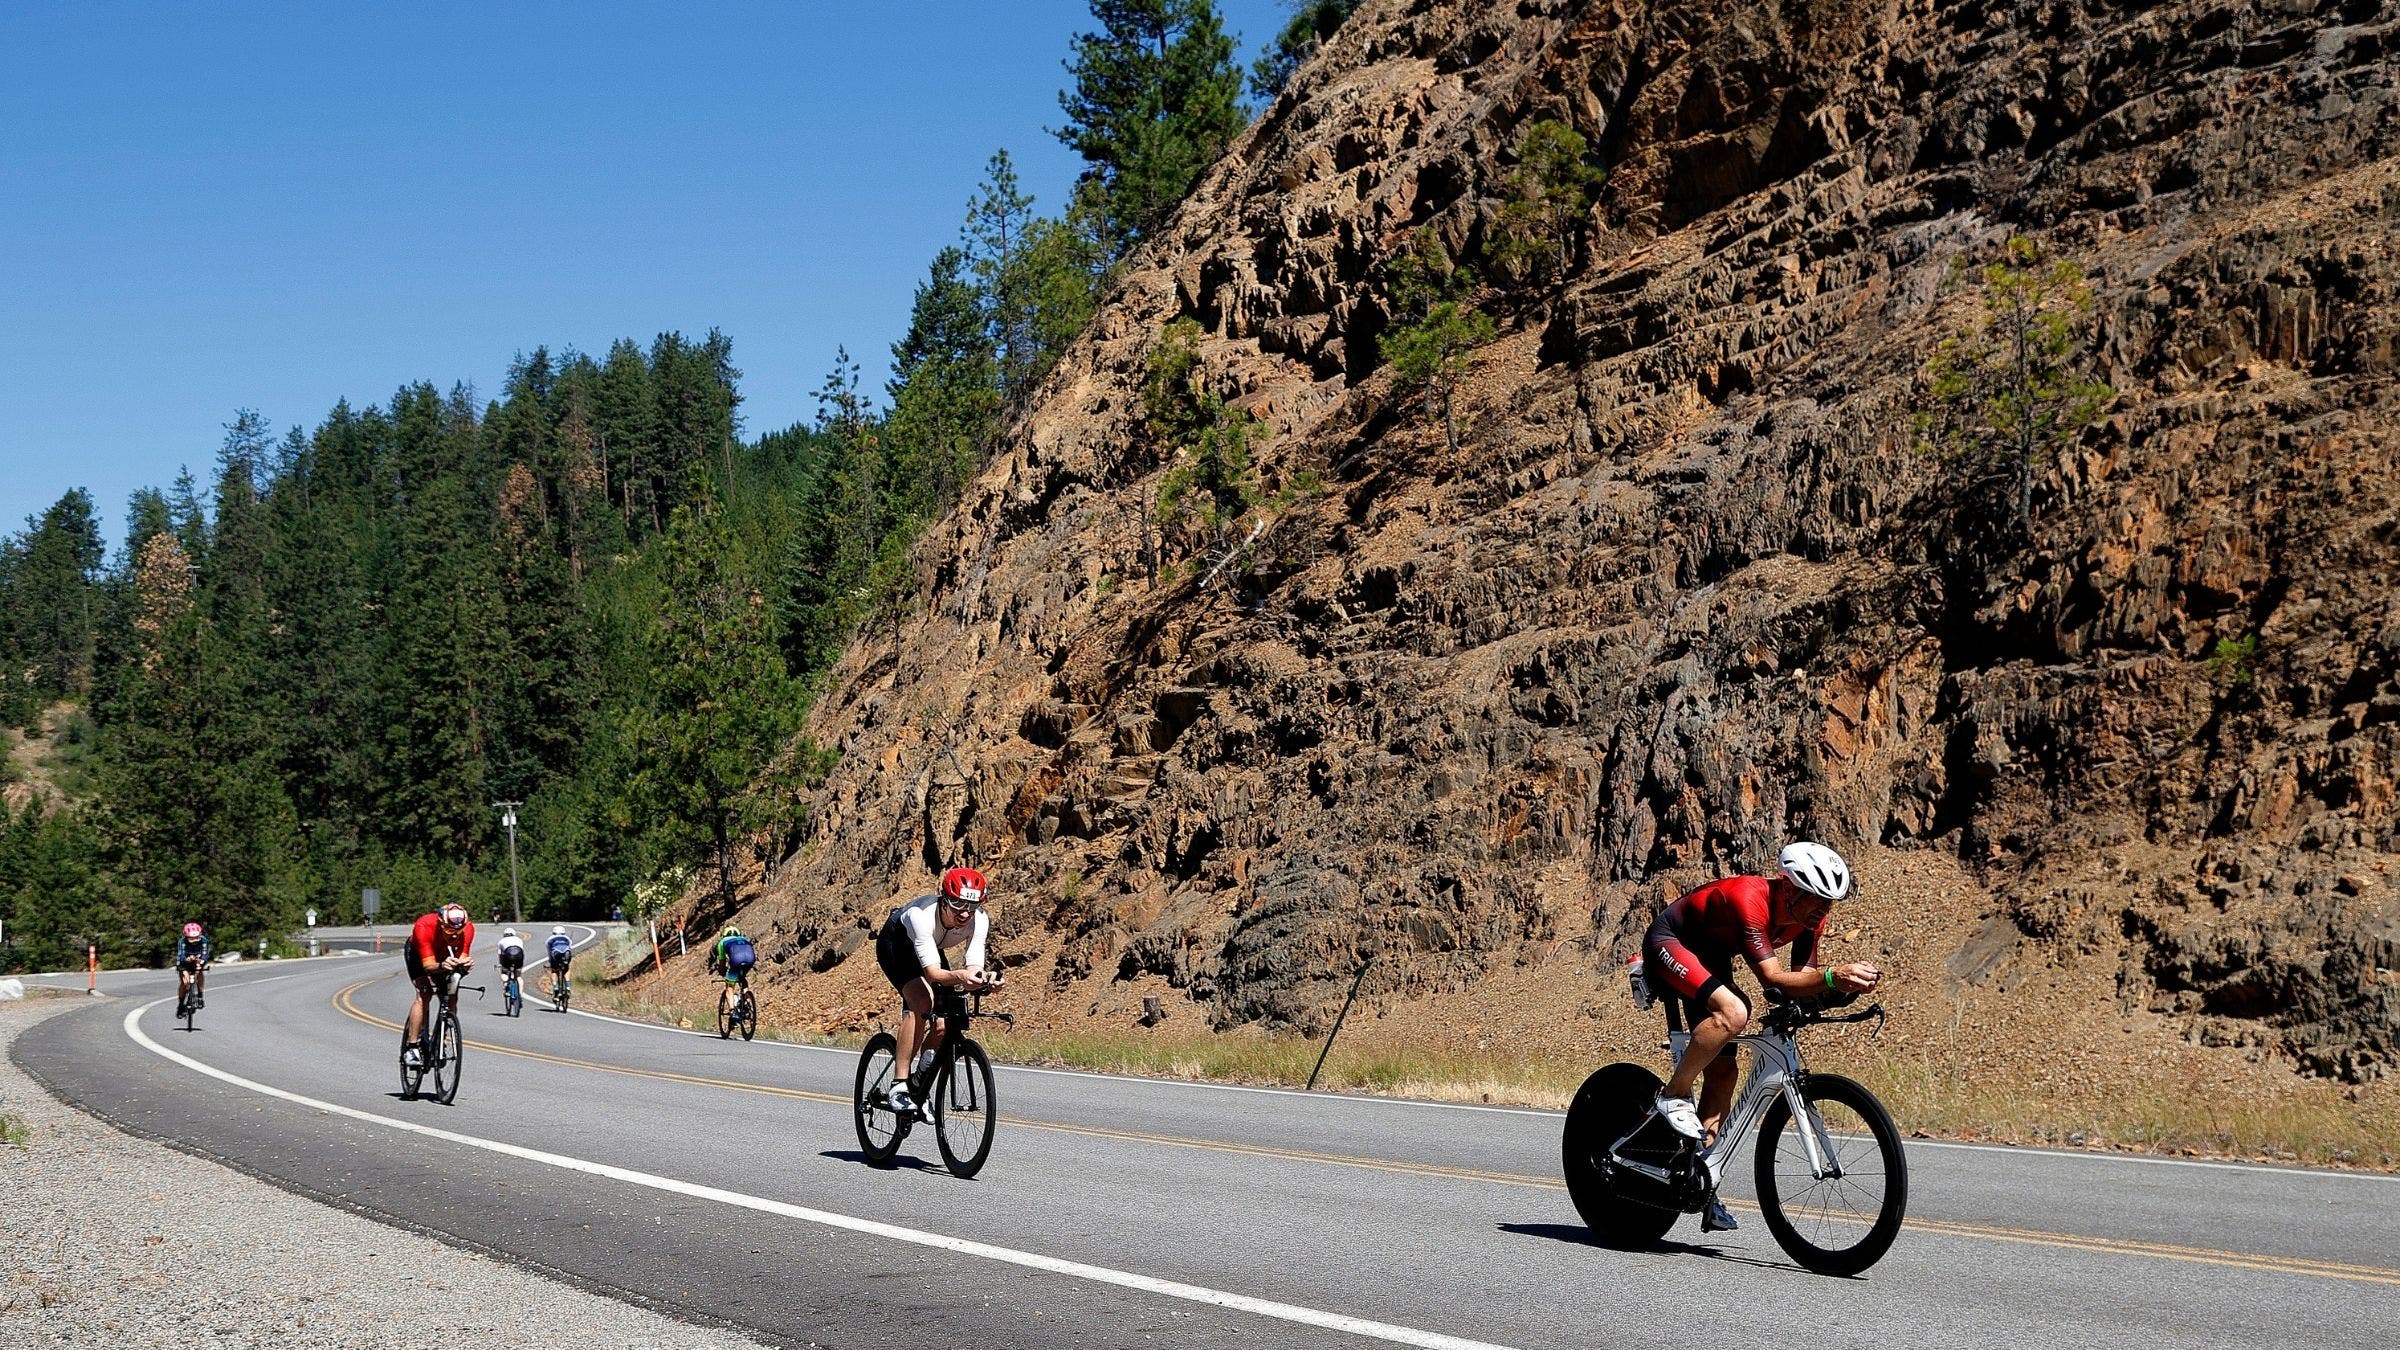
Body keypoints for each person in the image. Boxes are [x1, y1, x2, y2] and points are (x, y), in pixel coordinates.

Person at [1643, 842, 1882, 1232]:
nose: (1824, 910)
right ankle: (1671, 1095)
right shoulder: (1749, 900)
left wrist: (1843, 989)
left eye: (1830, 902)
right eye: (1817, 898)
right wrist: (1832, 976)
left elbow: (1800, 981)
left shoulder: (1811, 920)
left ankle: (1703, 1179)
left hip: (1713, 954)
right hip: (1672, 941)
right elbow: (1772, 978)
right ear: (1788, 888)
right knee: (1734, 1012)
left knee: (1724, 1075)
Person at [875, 866, 1001, 1116]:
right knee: (921, 1001)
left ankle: (920, 1081)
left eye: (972, 906)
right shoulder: (921, 916)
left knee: (942, 1024)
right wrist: (961, 976)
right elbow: (933, 974)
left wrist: (985, 979)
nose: (965, 913)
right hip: (897, 945)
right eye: (957, 904)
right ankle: (899, 1086)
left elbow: (973, 965)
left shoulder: (980, 919)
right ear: (944, 899)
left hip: (931, 947)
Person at [402, 903, 475, 1067]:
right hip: (419, 956)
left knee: (452, 996)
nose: (454, 936)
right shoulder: (424, 926)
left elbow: (462, 957)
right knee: (424, 994)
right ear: (441, 922)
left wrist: (465, 965)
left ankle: (441, 1039)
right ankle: (412, 1047)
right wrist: (442, 966)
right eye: (449, 931)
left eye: (458, 931)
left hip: (445, 956)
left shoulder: (469, 929)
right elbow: (429, 966)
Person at [710, 923, 757, 1020]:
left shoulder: (722, 942)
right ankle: (747, 1002)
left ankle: (732, 1011)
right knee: (742, 979)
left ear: (724, 934)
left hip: (736, 959)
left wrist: (722, 971)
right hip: (750, 958)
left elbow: (722, 962)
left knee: (730, 986)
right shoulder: (744, 939)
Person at [173, 921, 211, 1012]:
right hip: (185, 962)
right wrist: (186, 959)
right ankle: (181, 1004)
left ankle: (200, 996)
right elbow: (181, 955)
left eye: (196, 938)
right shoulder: (182, 941)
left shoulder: (204, 940)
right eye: (191, 938)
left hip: (198, 961)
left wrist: (201, 961)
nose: (194, 941)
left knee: (199, 972)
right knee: (185, 983)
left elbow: (205, 954)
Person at [495, 927, 526, 996]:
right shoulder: (519, 940)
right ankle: (520, 994)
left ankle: (506, 984)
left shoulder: (501, 941)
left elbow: (500, 955)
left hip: (508, 956)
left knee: (504, 972)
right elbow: (522, 951)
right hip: (519, 956)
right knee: (518, 976)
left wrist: (502, 965)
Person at [545, 925, 573, 995]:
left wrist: (551, 962)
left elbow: (549, 951)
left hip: (556, 954)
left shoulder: (550, 939)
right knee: (566, 968)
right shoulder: (567, 938)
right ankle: (568, 986)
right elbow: (569, 948)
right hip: (566, 954)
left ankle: (555, 986)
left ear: (553, 932)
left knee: (554, 970)